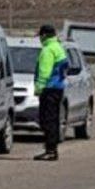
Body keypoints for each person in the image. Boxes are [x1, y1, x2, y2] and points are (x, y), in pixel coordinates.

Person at [34, 24, 68, 161]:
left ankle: (50, 150)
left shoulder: (48, 50)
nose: (39, 39)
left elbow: (44, 72)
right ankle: (51, 148)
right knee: (53, 119)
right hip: (58, 88)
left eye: (40, 36)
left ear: (44, 35)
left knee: (47, 120)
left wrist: (39, 88)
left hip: (49, 89)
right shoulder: (58, 47)